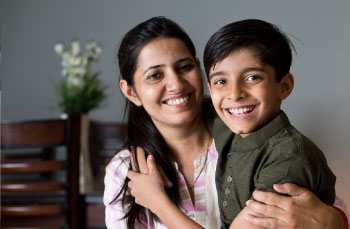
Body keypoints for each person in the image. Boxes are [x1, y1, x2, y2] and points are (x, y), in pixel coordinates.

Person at [105, 16, 349, 228]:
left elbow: (318, 205)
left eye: (184, 67)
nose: (177, 85)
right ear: (131, 92)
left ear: (200, 71)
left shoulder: (245, 131)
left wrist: (335, 220)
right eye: (155, 75)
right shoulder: (126, 171)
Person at [203, 18, 339, 228]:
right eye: (221, 81)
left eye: (252, 77)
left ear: (284, 86)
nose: (235, 94)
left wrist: (157, 200)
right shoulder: (227, 125)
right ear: (211, 91)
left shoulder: (288, 156)